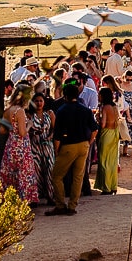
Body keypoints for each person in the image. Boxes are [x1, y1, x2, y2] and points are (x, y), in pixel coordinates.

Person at [48, 81, 99, 216]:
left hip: (68, 145)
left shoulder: (62, 110)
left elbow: (58, 134)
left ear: (65, 95)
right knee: (78, 176)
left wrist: (56, 150)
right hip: (83, 145)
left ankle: (60, 204)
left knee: (57, 176)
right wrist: (89, 142)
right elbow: (95, 129)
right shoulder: (85, 110)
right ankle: (72, 206)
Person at [0, 86, 40, 204]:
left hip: (10, 145)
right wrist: (29, 125)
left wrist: (12, 128)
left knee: (10, 172)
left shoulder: (7, 110)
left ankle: (9, 199)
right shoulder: (20, 111)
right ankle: (24, 200)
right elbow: (22, 133)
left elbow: (2, 130)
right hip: (21, 146)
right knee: (23, 173)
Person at [28, 92, 57, 204]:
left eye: (41, 101)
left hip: (47, 145)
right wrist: (34, 133)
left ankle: (51, 196)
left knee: (50, 170)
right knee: (36, 172)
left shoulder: (49, 114)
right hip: (35, 146)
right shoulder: (29, 115)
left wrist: (50, 136)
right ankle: (36, 197)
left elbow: (54, 129)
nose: (39, 103)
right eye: (36, 101)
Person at [94, 87, 120, 194]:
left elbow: (103, 124)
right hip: (115, 133)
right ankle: (113, 185)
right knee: (112, 161)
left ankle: (106, 187)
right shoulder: (114, 107)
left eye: (99, 94)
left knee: (104, 161)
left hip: (106, 134)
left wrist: (97, 118)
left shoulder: (105, 107)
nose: (98, 96)